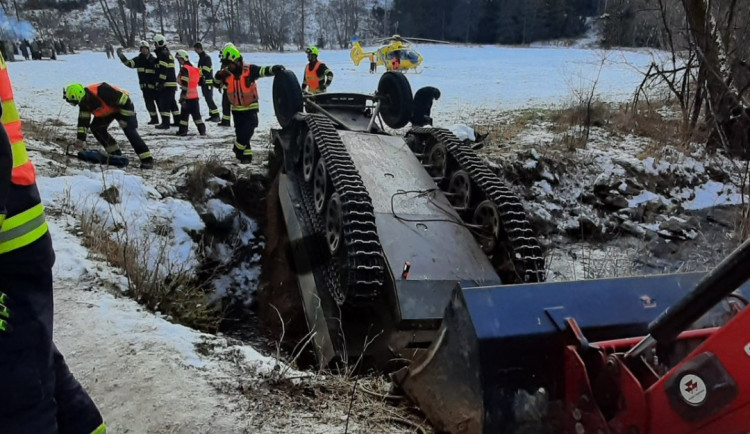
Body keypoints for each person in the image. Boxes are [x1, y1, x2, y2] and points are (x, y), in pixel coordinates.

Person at [0, 52, 106, 434]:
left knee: (16, 397)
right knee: (33, 362)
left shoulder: (102, 92)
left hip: (10, 241)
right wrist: (80, 140)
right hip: (15, 231)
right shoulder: (85, 100)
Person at [214, 45, 284, 163]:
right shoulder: (226, 74)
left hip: (250, 108)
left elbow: (263, 71)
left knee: (248, 130)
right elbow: (216, 84)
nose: (227, 67)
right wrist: (218, 76)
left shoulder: (249, 70)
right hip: (236, 110)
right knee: (241, 133)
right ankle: (245, 158)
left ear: (236, 60)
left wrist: (274, 69)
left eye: (229, 64)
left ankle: (237, 149)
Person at [63, 82, 155, 169]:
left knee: (129, 130)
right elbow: (83, 121)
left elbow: (126, 102)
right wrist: (81, 139)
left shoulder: (102, 91)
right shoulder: (83, 102)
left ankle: (147, 159)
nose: (75, 104)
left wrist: (125, 119)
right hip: (107, 112)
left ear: (79, 96)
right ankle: (115, 154)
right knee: (96, 128)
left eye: (74, 102)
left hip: (122, 108)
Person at [117, 41, 161, 125]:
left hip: (155, 86)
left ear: (148, 49)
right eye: (142, 49)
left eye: (145, 49)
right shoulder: (138, 59)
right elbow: (129, 63)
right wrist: (121, 56)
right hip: (145, 87)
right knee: (149, 104)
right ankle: (154, 119)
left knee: (160, 104)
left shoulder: (154, 60)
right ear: (140, 50)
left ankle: (164, 120)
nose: (144, 50)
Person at [175, 50, 205, 136]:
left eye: (179, 59)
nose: (179, 61)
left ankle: (182, 131)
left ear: (183, 59)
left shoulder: (185, 69)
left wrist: (183, 96)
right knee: (197, 116)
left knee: (184, 116)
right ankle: (202, 131)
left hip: (187, 97)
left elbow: (185, 83)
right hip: (195, 96)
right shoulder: (194, 69)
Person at [152, 34, 180, 129]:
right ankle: (177, 120)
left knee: (164, 103)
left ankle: (165, 123)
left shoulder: (162, 54)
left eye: (155, 43)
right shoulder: (167, 53)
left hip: (166, 84)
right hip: (171, 83)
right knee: (172, 103)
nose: (154, 45)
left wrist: (160, 82)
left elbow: (163, 70)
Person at [193, 42, 220, 122]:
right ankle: (212, 114)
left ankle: (216, 115)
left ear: (199, 48)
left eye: (196, 50)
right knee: (207, 98)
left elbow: (206, 70)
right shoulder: (201, 58)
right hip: (204, 82)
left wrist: (198, 73)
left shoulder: (206, 58)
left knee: (209, 99)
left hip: (207, 82)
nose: (196, 52)